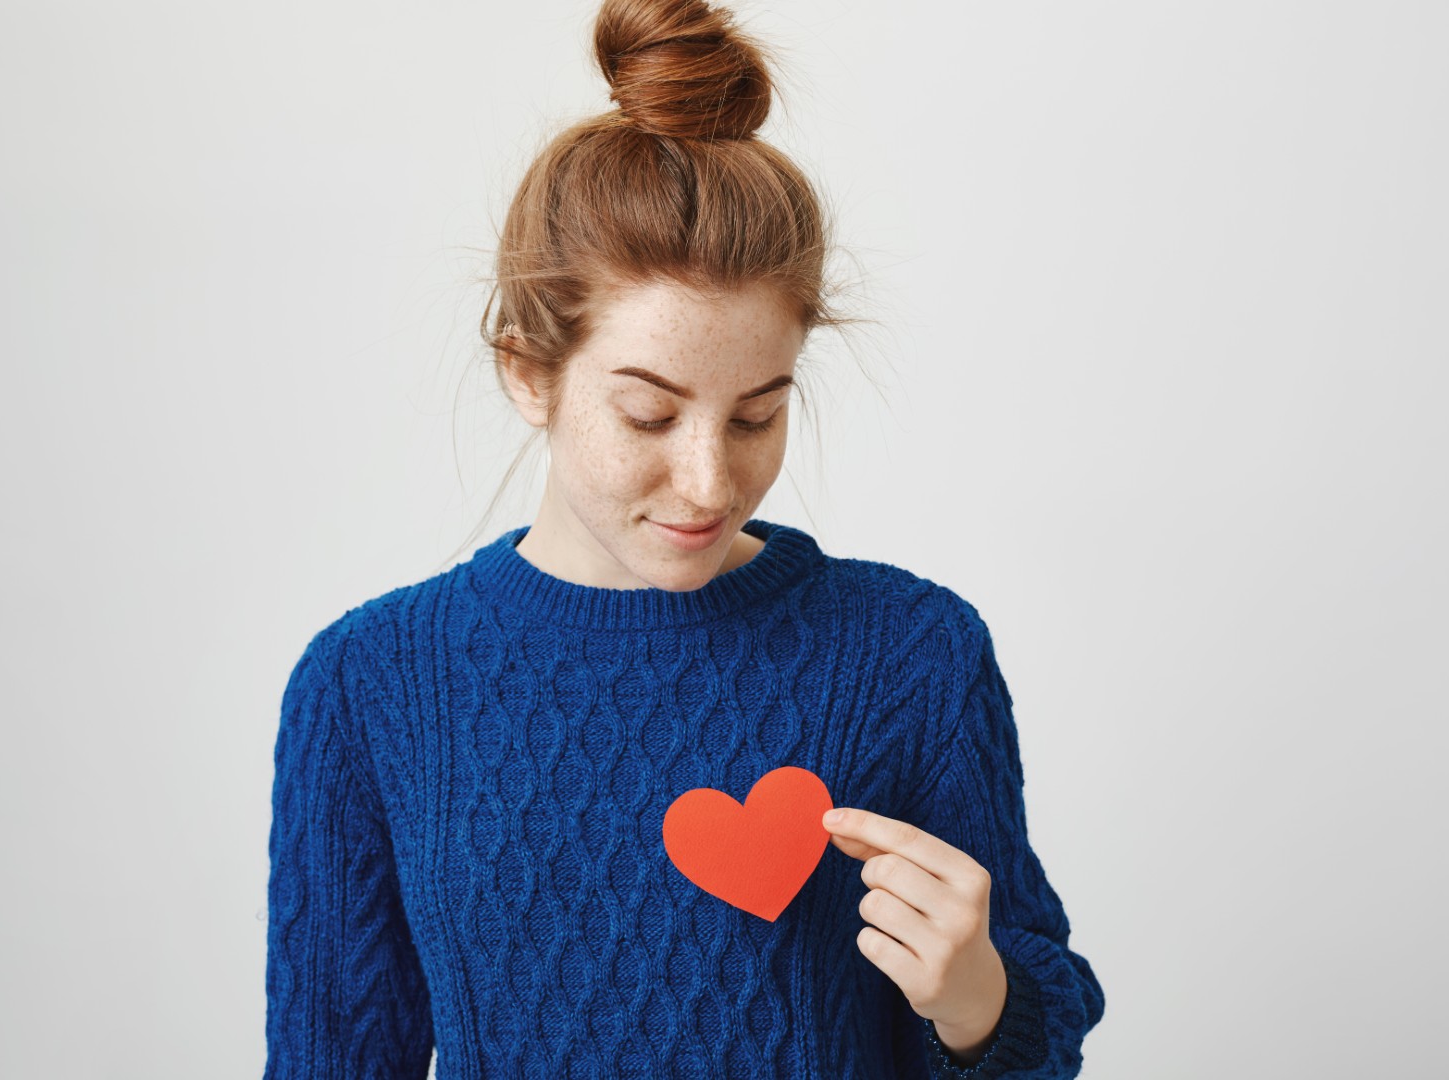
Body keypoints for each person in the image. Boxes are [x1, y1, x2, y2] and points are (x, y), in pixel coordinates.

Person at [263, 0, 1106, 1075]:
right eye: (649, 415)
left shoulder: (911, 652)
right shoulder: (368, 684)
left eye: (757, 413)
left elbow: (1037, 1023)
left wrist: (979, 1002)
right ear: (529, 371)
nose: (711, 481)